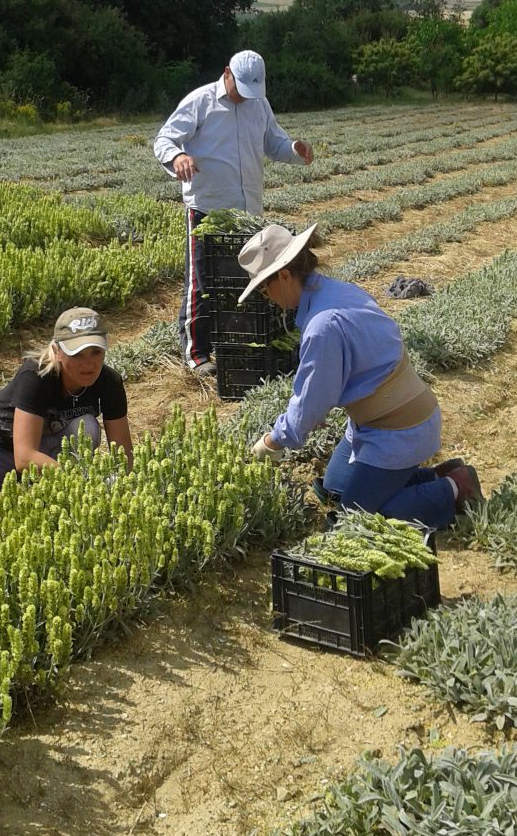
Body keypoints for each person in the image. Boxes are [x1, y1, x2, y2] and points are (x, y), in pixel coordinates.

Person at [236, 224, 483, 529]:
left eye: (264, 288)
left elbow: (311, 400)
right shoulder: (334, 290)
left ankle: (454, 489)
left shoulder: (323, 326)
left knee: (356, 521)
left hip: (398, 430)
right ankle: (437, 475)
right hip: (384, 420)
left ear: (284, 276)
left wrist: (273, 441)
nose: (266, 296)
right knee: (334, 489)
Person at [153, 50, 314, 376]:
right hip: (206, 209)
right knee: (201, 281)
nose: (244, 97)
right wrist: (178, 157)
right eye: (240, 89)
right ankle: (196, 353)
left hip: (248, 213)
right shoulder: (201, 101)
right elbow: (164, 139)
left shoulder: (259, 104)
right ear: (227, 73)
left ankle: (237, 342)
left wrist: (296, 151)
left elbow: (275, 143)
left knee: (245, 280)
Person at [0, 307, 133, 502]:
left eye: (95, 352)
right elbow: (24, 457)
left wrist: (118, 489)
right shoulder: (35, 375)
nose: (88, 364)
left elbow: (124, 456)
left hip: (46, 445)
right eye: (77, 354)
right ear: (57, 351)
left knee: (86, 426)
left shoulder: (109, 382)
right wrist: (80, 481)